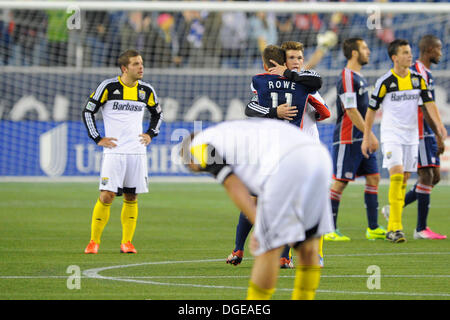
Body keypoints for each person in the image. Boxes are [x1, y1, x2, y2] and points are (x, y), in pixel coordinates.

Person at [179, 118, 334, 300]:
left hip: (287, 162)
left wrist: (259, 224)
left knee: (267, 250)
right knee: (308, 248)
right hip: (319, 156)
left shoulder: (198, 145)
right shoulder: (229, 132)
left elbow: (232, 184)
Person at [226, 43, 329, 268]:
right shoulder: (304, 87)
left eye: (300, 57)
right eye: (292, 57)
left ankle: (297, 254)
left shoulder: (301, 82)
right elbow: (325, 110)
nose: (297, 61)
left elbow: (251, 109)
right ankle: (280, 254)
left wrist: (288, 80)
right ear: (282, 61)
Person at [362, 39, 447, 243]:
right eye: (405, 53)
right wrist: (367, 135)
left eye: (410, 52)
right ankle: (395, 228)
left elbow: (429, 103)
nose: (410, 56)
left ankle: (393, 225)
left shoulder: (418, 80)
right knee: (397, 175)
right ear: (395, 57)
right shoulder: (385, 82)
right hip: (392, 135)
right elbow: (371, 110)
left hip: (412, 136)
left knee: (404, 179)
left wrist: (439, 125)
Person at [82, 49, 163, 254]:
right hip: (114, 152)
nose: (141, 67)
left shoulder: (146, 90)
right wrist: (97, 138)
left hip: (137, 152)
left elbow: (158, 114)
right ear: (125, 68)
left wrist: (150, 134)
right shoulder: (108, 87)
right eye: (136, 64)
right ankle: (94, 242)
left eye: (141, 63)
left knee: (131, 197)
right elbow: (88, 110)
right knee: (107, 195)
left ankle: (127, 242)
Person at [325, 37, 386, 242]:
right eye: (365, 48)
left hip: (361, 137)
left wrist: (367, 136)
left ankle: (373, 227)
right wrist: (369, 135)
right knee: (340, 182)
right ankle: (328, 229)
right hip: (348, 138)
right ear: (354, 53)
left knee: (373, 177)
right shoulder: (347, 77)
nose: (369, 51)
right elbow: (350, 111)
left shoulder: (359, 77)